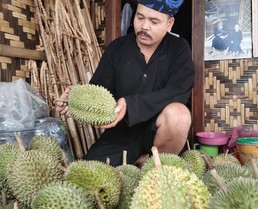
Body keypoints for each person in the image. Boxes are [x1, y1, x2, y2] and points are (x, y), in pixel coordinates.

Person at [56, 0, 194, 167]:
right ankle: (138, 162)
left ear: (169, 23)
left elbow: (179, 90)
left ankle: (152, 166)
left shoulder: (178, 48)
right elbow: (99, 91)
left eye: (154, 21)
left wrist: (131, 105)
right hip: (121, 133)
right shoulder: (117, 49)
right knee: (88, 175)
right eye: (140, 17)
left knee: (179, 115)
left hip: (159, 130)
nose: (144, 26)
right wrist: (75, 100)